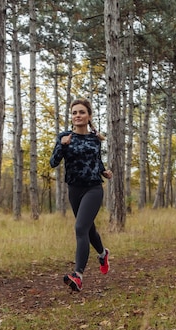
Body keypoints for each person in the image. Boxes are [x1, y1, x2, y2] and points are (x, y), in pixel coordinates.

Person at [50, 98, 112, 292]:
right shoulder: (65, 137)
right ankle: (102, 254)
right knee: (88, 230)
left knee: (80, 228)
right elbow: (53, 162)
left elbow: (96, 161)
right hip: (74, 189)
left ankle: (78, 275)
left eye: (82, 112)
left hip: (93, 189)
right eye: (75, 112)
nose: (78, 115)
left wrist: (104, 171)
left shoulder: (95, 139)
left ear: (89, 116)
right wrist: (62, 145)